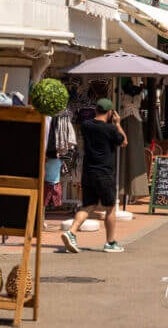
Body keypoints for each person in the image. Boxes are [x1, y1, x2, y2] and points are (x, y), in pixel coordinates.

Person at [62, 98, 128, 253]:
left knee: (88, 205)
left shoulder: (86, 126)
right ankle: (110, 242)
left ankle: (71, 231)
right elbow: (124, 142)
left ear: (96, 110)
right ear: (110, 112)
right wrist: (118, 124)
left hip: (88, 172)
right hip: (104, 172)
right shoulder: (111, 129)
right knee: (110, 208)